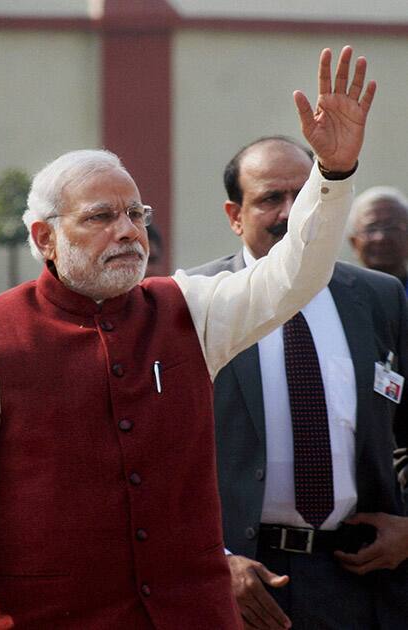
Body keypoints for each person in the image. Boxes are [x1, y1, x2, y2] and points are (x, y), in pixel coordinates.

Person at [0, 47, 375, 629]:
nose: (129, 231)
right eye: (102, 216)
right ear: (44, 236)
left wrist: (331, 177)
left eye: (136, 213)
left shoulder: (188, 307)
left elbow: (294, 275)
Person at [189, 135, 408, 629]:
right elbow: (156, 457)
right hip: (243, 582)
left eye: (304, 193)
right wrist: (215, 556)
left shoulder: (379, 298)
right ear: (234, 215)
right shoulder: (197, 303)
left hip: (361, 578)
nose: (292, 212)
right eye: (270, 198)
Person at [348, 186, 408, 294]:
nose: (381, 237)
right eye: (371, 228)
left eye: (392, 227)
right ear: (354, 242)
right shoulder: (341, 295)